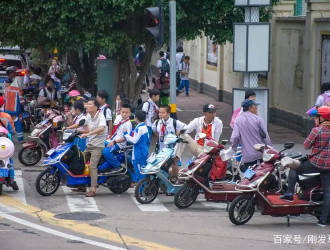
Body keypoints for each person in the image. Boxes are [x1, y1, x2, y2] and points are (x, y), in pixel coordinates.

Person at [280, 106, 330, 227]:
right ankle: (323, 220)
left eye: (317, 117)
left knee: (294, 167)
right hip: (328, 167)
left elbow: (306, 146)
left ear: (322, 118)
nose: (315, 119)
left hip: (315, 163)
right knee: (328, 192)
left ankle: (289, 194)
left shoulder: (316, 131)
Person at [174, 104, 223, 182]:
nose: (213, 114)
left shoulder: (218, 122)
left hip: (207, 150)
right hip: (197, 146)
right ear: (205, 113)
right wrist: (181, 131)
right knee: (184, 136)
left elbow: (216, 139)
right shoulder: (198, 120)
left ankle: (190, 175)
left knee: (197, 165)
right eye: (211, 112)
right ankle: (176, 158)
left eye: (214, 112)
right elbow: (188, 128)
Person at [230, 99, 272, 172]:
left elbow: (235, 136)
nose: (257, 108)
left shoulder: (238, 120)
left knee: (249, 178)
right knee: (261, 176)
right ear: (250, 108)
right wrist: (270, 148)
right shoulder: (258, 119)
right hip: (260, 154)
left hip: (247, 156)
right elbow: (265, 136)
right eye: (255, 106)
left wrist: (234, 147)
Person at [80, 98, 107, 197]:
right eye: (87, 104)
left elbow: (101, 128)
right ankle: (81, 185)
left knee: (92, 166)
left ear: (96, 107)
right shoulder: (88, 116)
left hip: (98, 146)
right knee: (80, 161)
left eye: (89, 104)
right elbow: (83, 127)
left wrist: (89, 133)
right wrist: (69, 128)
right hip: (90, 145)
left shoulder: (101, 116)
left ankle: (93, 188)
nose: (87, 105)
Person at [152, 105, 186, 181]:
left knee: (175, 162)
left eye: (163, 113)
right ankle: (164, 181)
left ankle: (175, 178)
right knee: (163, 165)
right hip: (162, 147)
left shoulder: (174, 122)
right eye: (159, 112)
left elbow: (185, 127)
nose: (160, 114)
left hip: (173, 147)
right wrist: (159, 137)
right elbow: (154, 129)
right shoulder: (157, 122)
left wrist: (179, 133)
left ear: (168, 113)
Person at [102, 104, 132, 172]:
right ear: (120, 112)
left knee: (106, 152)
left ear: (129, 114)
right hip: (113, 140)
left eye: (126, 113)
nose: (124, 114)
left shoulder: (128, 124)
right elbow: (117, 133)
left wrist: (114, 142)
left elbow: (125, 138)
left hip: (119, 143)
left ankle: (118, 166)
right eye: (123, 112)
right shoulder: (121, 121)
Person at [124, 110, 150, 183]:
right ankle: (143, 190)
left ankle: (141, 191)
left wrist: (126, 134)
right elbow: (148, 141)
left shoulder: (139, 128)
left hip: (138, 154)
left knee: (139, 173)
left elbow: (135, 140)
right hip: (143, 152)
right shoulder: (145, 127)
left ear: (136, 118)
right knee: (143, 172)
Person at [0, 96, 18, 190]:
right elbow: (12, 131)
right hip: (5, 144)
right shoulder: (6, 116)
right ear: (2, 105)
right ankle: (13, 179)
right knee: (9, 160)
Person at [5, 76, 25, 143]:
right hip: (16, 110)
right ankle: (20, 140)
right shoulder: (18, 90)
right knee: (18, 124)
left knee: (8, 125)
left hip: (7, 110)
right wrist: (25, 104)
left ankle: (8, 139)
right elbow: (21, 101)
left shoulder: (6, 89)